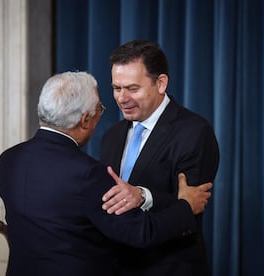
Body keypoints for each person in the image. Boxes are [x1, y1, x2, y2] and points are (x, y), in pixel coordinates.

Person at [0, 71, 213, 275]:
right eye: (99, 109)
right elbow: (141, 232)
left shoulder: (7, 160)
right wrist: (186, 206)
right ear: (85, 120)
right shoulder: (88, 175)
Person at [100, 40, 220, 275]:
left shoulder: (194, 131)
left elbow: (190, 207)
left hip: (168, 267)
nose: (122, 98)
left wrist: (143, 196)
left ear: (161, 83)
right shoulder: (111, 136)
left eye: (132, 88)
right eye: (116, 88)